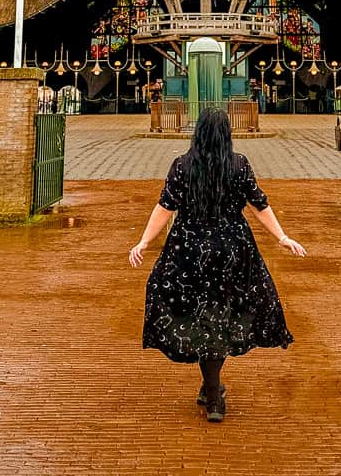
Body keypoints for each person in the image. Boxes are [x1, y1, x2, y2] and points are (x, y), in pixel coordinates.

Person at [128, 107, 306, 423]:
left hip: (189, 247)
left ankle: (212, 391)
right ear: (226, 134)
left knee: (199, 315)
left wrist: (144, 242)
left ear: (198, 133)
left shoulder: (182, 165)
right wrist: (281, 236)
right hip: (232, 248)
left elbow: (165, 207)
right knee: (221, 314)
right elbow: (259, 204)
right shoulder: (239, 165)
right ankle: (213, 392)